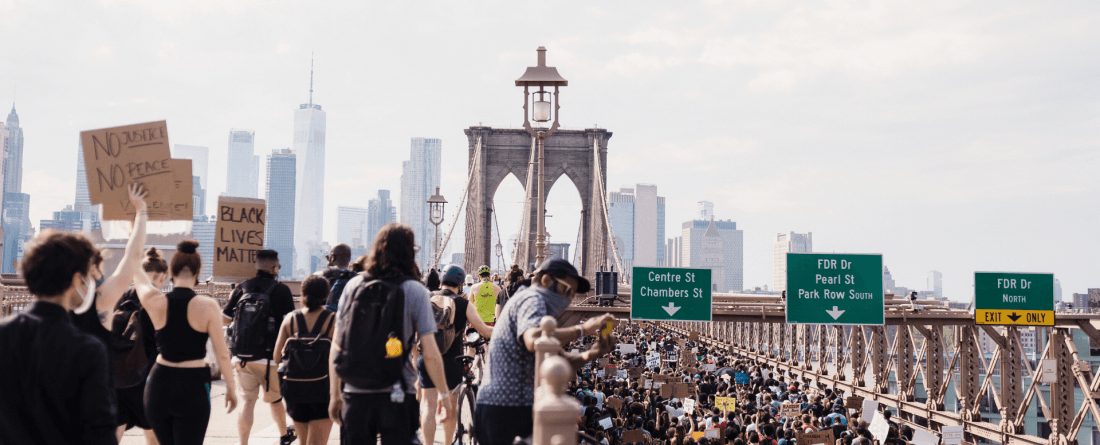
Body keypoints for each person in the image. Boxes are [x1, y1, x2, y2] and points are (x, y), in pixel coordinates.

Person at [328, 222, 454, 444]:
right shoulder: (415, 290)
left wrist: (335, 395)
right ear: (408, 252)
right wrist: (444, 394)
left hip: (355, 391)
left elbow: (337, 344)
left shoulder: (353, 285)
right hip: (396, 392)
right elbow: (431, 353)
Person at [475, 258, 616, 445]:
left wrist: (593, 353)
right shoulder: (533, 299)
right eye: (567, 291)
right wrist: (583, 329)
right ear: (547, 281)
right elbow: (534, 340)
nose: (568, 299)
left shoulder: (537, 310)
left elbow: (558, 362)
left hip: (508, 407)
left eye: (572, 295)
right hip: (504, 407)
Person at [0, 230, 117, 444]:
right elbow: (99, 431)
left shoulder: (4, 334)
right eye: (85, 279)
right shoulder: (87, 350)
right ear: (75, 280)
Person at [67, 184, 155, 443]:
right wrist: (141, 211)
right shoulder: (101, 301)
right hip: (95, 400)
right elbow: (134, 255)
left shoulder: (49, 305)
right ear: (93, 270)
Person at [135, 240, 238, 444]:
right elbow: (222, 353)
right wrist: (231, 389)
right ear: (198, 272)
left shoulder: (155, 301)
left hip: (158, 384)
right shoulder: (208, 306)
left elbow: (136, 272)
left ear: (170, 271)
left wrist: (135, 241)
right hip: (192, 386)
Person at [222, 249, 298, 445]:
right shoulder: (281, 290)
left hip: (242, 356)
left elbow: (225, 319)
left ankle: (243, 443)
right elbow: (290, 324)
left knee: (247, 401)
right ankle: (283, 435)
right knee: (274, 399)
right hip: (270, 357)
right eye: (278, 266)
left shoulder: (242, 288)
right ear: (274, 268)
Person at [420, 264, 495, 444]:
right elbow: (484, 331)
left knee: (428, 407)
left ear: (441, 280)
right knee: (451, 408)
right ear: (461, 284)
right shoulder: (463, 303)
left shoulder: (426, 298)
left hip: (428, 357)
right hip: (451, 360)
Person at [273, 275, 336, 445]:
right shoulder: (333, 320)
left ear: (302, 294)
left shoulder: (290, 319)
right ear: (326, 296)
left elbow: (276, 356)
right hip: (323, 389)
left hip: (294, 389)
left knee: (303, 441)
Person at [318, 243, 357, 312]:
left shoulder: (319, 277)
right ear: (350, 258)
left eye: (328, 257)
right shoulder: (359, 279)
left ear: (332, 257)